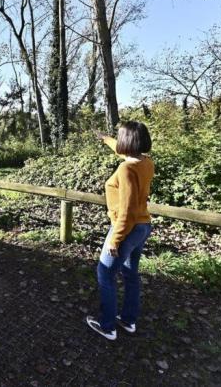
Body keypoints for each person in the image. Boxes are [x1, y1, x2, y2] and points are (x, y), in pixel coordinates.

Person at [86, 121, 155, 341]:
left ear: (128, 141)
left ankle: (107, 326)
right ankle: (128, 320)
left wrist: (115, 240)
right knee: (130, 274)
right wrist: (105, 139)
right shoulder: (145, 163)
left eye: (119, 136)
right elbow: (122, 151)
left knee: (105, 273)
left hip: (127, 228)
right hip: (143, 227)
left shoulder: (126, 169)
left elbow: (127, 210)